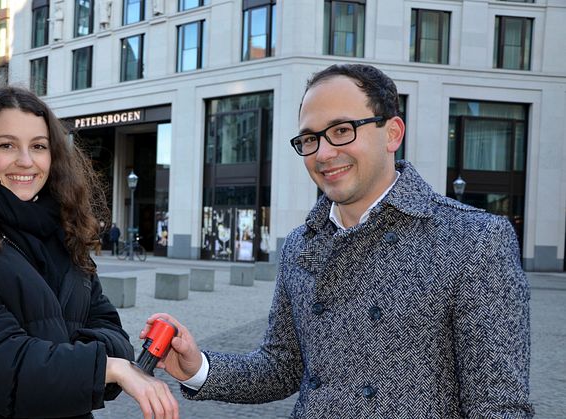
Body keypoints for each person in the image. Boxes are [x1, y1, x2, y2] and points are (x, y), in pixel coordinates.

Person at [143, 64, 533, 417]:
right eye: (310, 138)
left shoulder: (475, 239)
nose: (324, 153)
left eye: (342, 130)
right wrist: (198, 368)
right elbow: (282, 367)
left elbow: (500, 406)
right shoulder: (300, 244)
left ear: (392, 133)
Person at [0, 86, 178, 419]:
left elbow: (113, 334)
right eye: (6, 145)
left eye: (38, 146)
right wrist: (101, 365)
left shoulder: (64, 237)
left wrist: (75, 360)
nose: (26, 161)